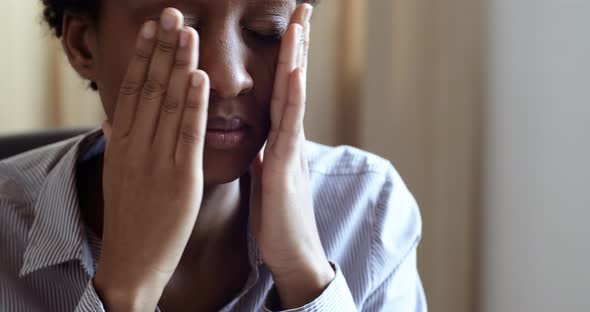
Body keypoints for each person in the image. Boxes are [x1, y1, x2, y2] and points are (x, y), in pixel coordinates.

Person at [0, 0, 427, 311]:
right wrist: (126, 290)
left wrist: (304, 275)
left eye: (266, 31)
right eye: (180, 33)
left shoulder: (367, 210)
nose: (228, 78)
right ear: (83, 46)